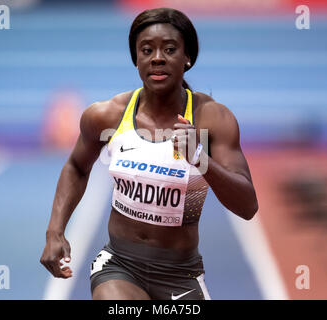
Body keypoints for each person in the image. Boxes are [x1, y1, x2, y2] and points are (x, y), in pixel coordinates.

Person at [40, 7, 258, 300]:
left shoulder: (212, 120)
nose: (157, 57)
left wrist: (201, 160)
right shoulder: (108, 115)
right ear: (136, 59)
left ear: (187, 58)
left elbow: (247, 207)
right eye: (147, 50)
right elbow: (76, 167)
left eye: (169, 49)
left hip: (181, 274)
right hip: (120, 264)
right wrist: (55, 231)